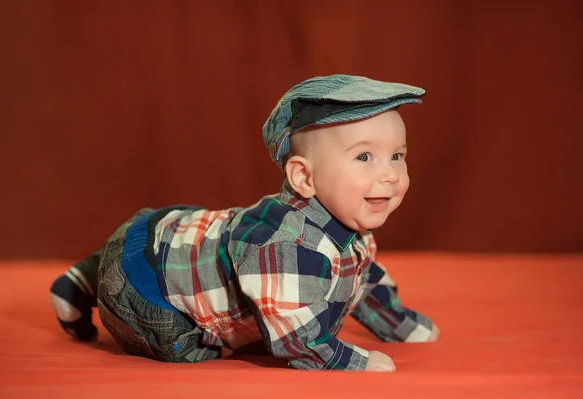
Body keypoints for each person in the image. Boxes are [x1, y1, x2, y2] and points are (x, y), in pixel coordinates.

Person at [50, 74, 439, 372]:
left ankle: (81, 277)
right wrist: (352, 362)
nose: (391, 175)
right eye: (364, 158)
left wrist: (403, 327)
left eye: (397, 156)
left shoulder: (349, 238)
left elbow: (363, 282)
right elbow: (297, 337)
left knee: (187, 228)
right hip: (147, 289)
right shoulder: (287, 247)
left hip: (162, 230)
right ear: (304, 178)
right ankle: (94, 281)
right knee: (186, 349)